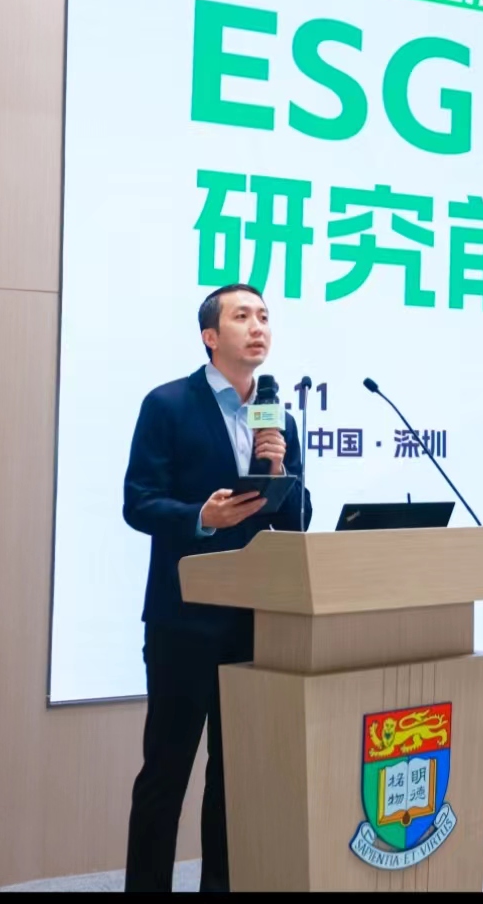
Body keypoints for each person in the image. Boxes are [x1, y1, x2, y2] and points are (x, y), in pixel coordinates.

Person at [122, 283, 311, 892]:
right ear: (210, 336)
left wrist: (278, 469)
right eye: (242, 316)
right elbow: (138, 503)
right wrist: (202, 517)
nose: (258, 327)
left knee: (234, 779)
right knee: (166, 773)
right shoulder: (168, 404)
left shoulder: (278, 419)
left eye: (264, 317)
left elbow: (297, 519)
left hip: (253, 621)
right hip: (183, 620)